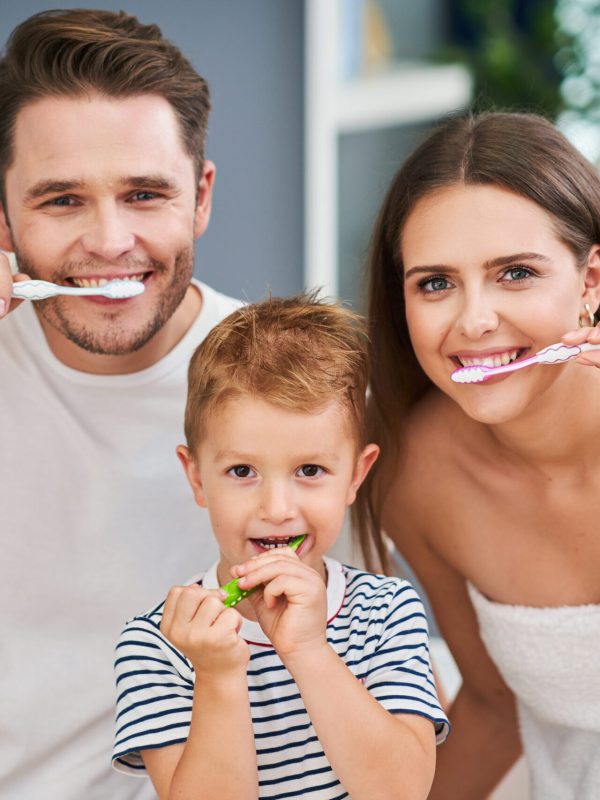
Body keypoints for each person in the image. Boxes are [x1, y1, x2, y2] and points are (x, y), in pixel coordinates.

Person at [0, 9, 240, 799]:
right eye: (62, 200)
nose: (109, 242)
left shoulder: (305, 390)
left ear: (199, 197)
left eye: (143, 194)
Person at [111, 294, 449, 800]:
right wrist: (218, 675)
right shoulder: (160, 643)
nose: (276, 507)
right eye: (242, 471)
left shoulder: (386, 612)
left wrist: (307, 649)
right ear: (197, 478)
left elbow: (400, 791)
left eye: (310, 471)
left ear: (356, 475)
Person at [356, 111, 600, 800]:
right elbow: (494, 711)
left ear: (590, 283)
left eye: (515, 274)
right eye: (435, 283)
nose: (474, 321)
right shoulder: (413, 476)